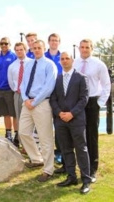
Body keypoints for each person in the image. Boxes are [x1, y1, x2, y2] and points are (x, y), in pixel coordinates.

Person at [50, 51, 91, 194]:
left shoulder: (81, 78)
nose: (65, 61)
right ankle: (71, 176)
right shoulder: (57, 79)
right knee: (66, 149)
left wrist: (71, 113)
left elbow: (84, 99)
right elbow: (53, 99)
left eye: (67, 58)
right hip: (60, 120)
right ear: (60, 61)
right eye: (62, 59)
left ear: (72, 60)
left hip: (76, 120)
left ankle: (86, 180)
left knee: (81, 149)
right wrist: (59, 113)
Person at [19, 40, 57, 182]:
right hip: (27, 102)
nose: (36, 50)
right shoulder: (28, 64)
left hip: (41, 104)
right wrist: (25, 99)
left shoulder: (49, 65)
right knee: (23, 132)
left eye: (38, 48)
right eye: (34, 48)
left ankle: (48, 169)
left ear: (44, 48)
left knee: (45, 137)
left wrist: (34, 102)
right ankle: (36, 159)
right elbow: (22, 84)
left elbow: (49, 86)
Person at [73, 39, 111, 183]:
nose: (84, 50)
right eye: (82, 47)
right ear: (79, 48)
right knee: (78, 135)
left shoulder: (99, 64)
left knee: (91, 136)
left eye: (87, 47)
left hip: (92, 102)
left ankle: (92, 168)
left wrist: (99, 103)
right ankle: (80, 166)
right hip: (76, 102)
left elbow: (106, 85)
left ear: (92, 48)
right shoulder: (75, 63)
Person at [8, 42, 33, 147]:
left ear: (25, 50)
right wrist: (16, 90)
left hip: (31, 95)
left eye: (21, 49)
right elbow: (10, 81)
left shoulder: (32, 63)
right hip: (18, 95)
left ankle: (33, 144)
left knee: (32, 119)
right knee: (19, 118)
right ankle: (22, 143)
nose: (19, 52)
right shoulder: (12, 66)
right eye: (17, 50)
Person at [45, 33, 64, 170]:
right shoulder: (43, 56)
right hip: (46, 95)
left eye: (56, 40)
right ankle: (47, 153)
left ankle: (60, 152)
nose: (54, 42)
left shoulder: (64, 57)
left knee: (59, 125)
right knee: (45, 125)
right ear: (48, 42)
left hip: (59, 95)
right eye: (52, 40)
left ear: (59, 42)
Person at [0, 37, 17, 139]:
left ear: (9, 45)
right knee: (5, 114)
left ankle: (17, 135)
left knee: (14, 114)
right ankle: (8, 134)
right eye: (2, 43)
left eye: (6, 44)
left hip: (10, 89)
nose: (3, 45)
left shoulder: (13, 56)